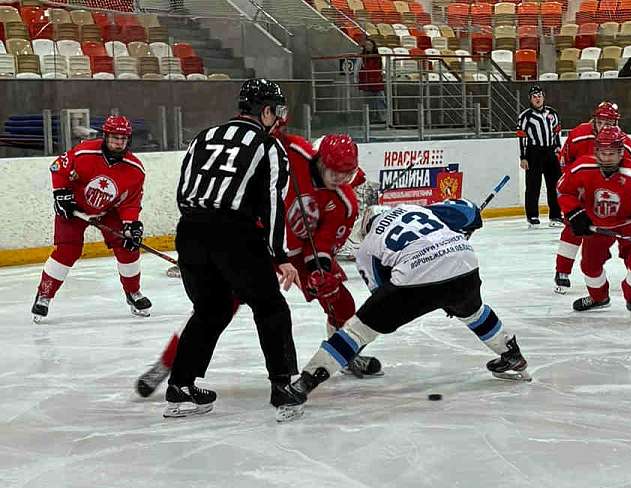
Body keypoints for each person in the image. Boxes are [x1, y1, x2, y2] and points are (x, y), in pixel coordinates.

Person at [135, 131, 381, 399]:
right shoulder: (295, 152)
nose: (340, 179)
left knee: (339, 298)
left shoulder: (345, 203)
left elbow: (320, 245)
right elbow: (269, 136)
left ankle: (345, 353)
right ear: (319, 159)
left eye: (347, 173)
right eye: (334, 171)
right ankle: (167, 364)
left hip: (297, 254)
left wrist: (319, 272)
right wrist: (273, 128)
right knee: (216, 308)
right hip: (258, 241)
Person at [283, 199, 531, 405]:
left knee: (358, 330)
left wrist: (423, 295)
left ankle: (305, 382)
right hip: (464, 260)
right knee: (474, 313)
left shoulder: (366, 247)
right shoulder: (416, 209)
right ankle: (512, 355)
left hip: (417, 276)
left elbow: (380, 291)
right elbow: (465, 212)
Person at [165, 79, 303, 420]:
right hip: (235, 235)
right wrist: (280, 256)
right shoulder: (269, 146)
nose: (278, 118)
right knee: (270, 308)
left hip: (191, 231)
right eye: (276, 111)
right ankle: (283, 388)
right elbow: (272, 205)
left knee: (210, 310)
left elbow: (184, 191)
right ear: (266, 111)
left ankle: (180, 386)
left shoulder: (202, 137)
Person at [31, 114, 150, 322]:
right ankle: (44, 294)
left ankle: (133, 292)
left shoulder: (135, 169)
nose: (119, 142)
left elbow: (130, 203)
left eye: (123, 139)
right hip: (74, 208)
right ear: (105, 136)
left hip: (109, 211)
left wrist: (131, 225)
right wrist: (60, 193)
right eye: (114, 137)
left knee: (127, 246)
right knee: (68, 251)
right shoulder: (85, 151)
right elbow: (58, 168)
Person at [556, 126, 631, 321]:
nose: (606, 158)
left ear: (621, 152)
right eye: (602, 153)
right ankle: (599, 298)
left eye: (611, 153)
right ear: (595, 151)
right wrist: (574, 211)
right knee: (590, 264)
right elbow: (563, 191)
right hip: (597, 223)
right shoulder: (581, 167)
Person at [554, 101, 631, 294]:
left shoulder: (627, 144)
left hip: (610, 194)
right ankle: (562, 271)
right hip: (581, 192)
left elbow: (627, 173)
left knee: (627, 229)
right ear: (594, 120)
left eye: (610, 122)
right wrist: (576, 189)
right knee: (572, 228)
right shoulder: (578, 135)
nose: (605, 126)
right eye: (601, 121)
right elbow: (565, 163)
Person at [516, 85, 562, 227]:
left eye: (540, 95)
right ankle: (532, 216)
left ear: (543, 97)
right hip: (533, 153)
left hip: (550, 152)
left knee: (555, 185)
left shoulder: (552, 113)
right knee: (533, 186)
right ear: (530, 99)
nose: (537, 98)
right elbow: (522, 138)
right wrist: (523, 157)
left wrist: (558, 148)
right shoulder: (525, 116)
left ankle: (555, 215)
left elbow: (556, 133)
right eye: (534, 96)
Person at [358, 37, 387, 124]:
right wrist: (357, 81)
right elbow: (357, 69)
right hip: (366, 82)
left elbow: (382, 68)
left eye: (370, 45)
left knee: (381, 101)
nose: (368, 46)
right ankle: (369, 120)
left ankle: (384, 119)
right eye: (366, 45)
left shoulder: (378, 57)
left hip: (377, 82)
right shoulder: (361, 57)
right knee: (368, 102)